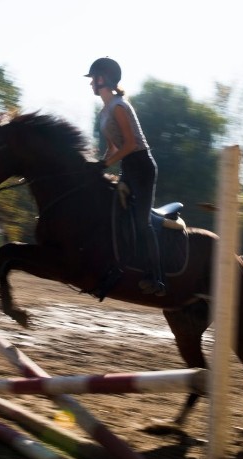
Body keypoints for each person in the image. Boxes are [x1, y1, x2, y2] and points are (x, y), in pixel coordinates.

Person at [85, 57, 165, 296]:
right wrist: (97, 164)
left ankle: (157, 278)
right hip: (128, 167)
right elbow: (112, 148)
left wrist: (107, 163)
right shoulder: (103, 112)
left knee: (142, 221)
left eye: (93, 79)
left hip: (142, 167)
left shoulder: (120, 106)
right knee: (114, 214)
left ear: (103, 79)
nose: (90, 84)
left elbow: (130, 144)